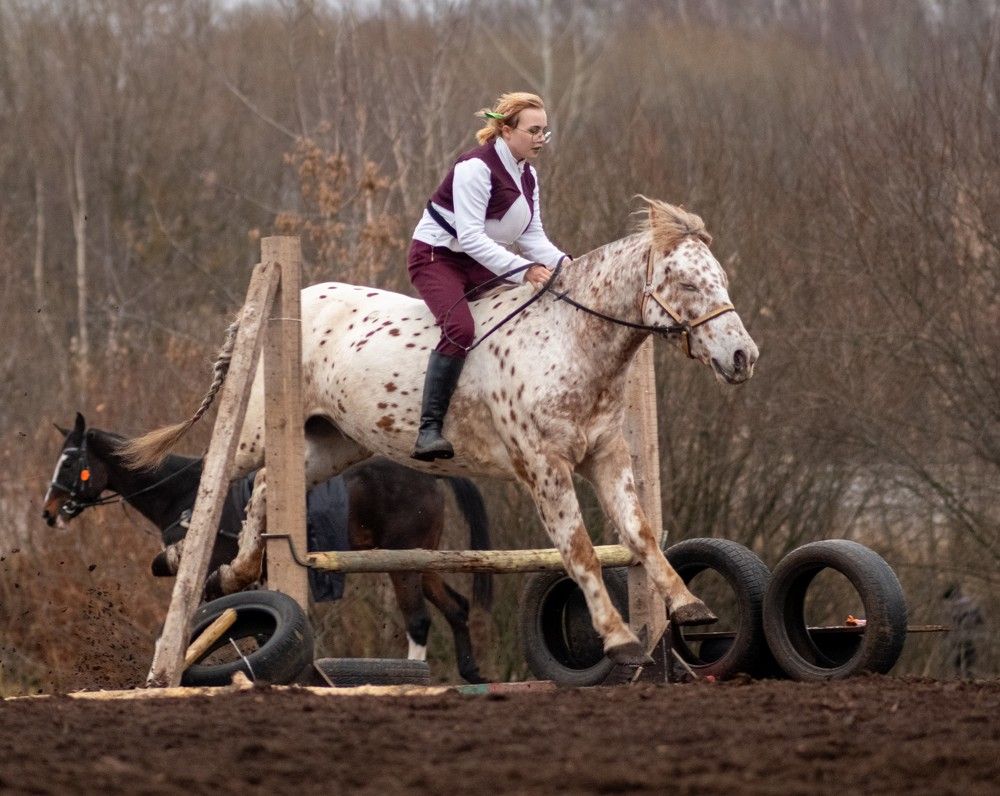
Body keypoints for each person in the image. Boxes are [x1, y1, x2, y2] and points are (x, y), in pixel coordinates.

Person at [407, 91, 571, 461]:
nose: (540, 138)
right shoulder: (475, 169)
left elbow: (533, 237)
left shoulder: (527, 175)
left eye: (545, 130)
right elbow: (469, 238)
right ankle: (428, 429)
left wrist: (570, 267)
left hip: (480, 263)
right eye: (533, 130)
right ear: (507, 130)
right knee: (461, 329)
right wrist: (524, 270)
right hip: (437, 258)